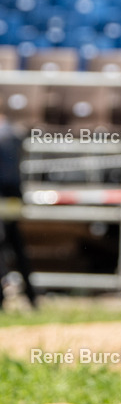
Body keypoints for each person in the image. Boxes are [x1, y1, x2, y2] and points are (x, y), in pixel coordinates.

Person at [0, 112, 37, 310]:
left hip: (4, 198)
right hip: (12, 199)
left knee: (8, 246)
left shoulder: (7, 135)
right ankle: (31, 296)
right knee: (15, 246)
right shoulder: (14, 134)